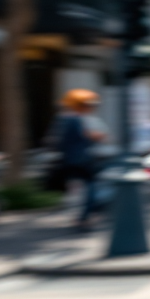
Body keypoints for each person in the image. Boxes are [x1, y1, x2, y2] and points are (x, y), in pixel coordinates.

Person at [50, 89, 107, 230]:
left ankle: (77, 214)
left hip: (67, 159)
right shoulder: (77, 119)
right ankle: (84, 217)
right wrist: (96, 137)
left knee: (74, 188)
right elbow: (92, 136)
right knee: (92, 185)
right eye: (88, 105)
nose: (91, 108)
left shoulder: (61, 118)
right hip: (82, 159)